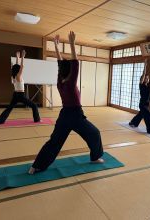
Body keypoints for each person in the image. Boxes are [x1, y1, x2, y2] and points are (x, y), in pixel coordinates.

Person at [29, 31, 104, 174]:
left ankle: (36, 166)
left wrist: (57, 47)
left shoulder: (60, 82)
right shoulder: (70, 82)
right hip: (76, 115)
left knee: (54, 142)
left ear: (61, 71)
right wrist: (72, 44)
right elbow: (75, 64)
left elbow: (60, 64)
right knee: (94, 133)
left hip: (64, 115)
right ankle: (95, 158)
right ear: (70, 72)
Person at [0, 50, 41, 124]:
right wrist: (22, 57)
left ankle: (0, 121)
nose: (20, 69)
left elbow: (16, 67)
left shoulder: (13, 76)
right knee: (34, 106)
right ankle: (37, 120)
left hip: (15, 95)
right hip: (20, 96)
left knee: (9, 108)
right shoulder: (18, 76)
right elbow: (21, 66)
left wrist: (17, 57)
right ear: (18, 70)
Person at [129, 59, 150, 134]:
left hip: (146, 104)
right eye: (146, 78)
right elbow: (144, 73)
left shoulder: (148, 84)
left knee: (141, 114)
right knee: (149, 116)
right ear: (143, 79)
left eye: (148, 78)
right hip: (142, 104)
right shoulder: (141, 85)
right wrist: (145, 65)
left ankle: (133, 122)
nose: (147, 79)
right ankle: (149, 130)